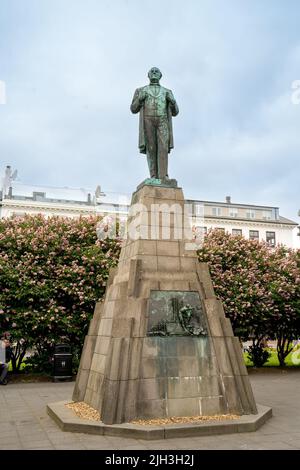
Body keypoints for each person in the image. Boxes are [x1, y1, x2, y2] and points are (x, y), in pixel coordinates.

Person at [130, 67, 179, 180]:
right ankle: (153, 176)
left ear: (160, 75)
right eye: (152, 71)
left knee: (163, 148)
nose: (154, 73)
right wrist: (139, 99)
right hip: (148, 119)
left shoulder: (167, 92)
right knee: (151, 148)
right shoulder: (140, 90)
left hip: (162, 120)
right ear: (148, 75)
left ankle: (163, 176)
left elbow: (175, 112)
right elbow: (133, 109)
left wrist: (173, 101)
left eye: (156, 71)